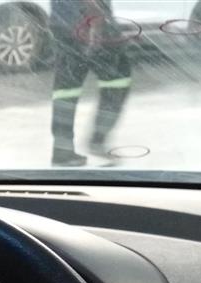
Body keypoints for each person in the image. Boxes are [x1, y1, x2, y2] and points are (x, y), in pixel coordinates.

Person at [49, 0, 134, 167]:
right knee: (118, 79)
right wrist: (95, 20)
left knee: (66, 89)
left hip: (64, 23)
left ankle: (62, 150)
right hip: (89, 22)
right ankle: (98, 139)